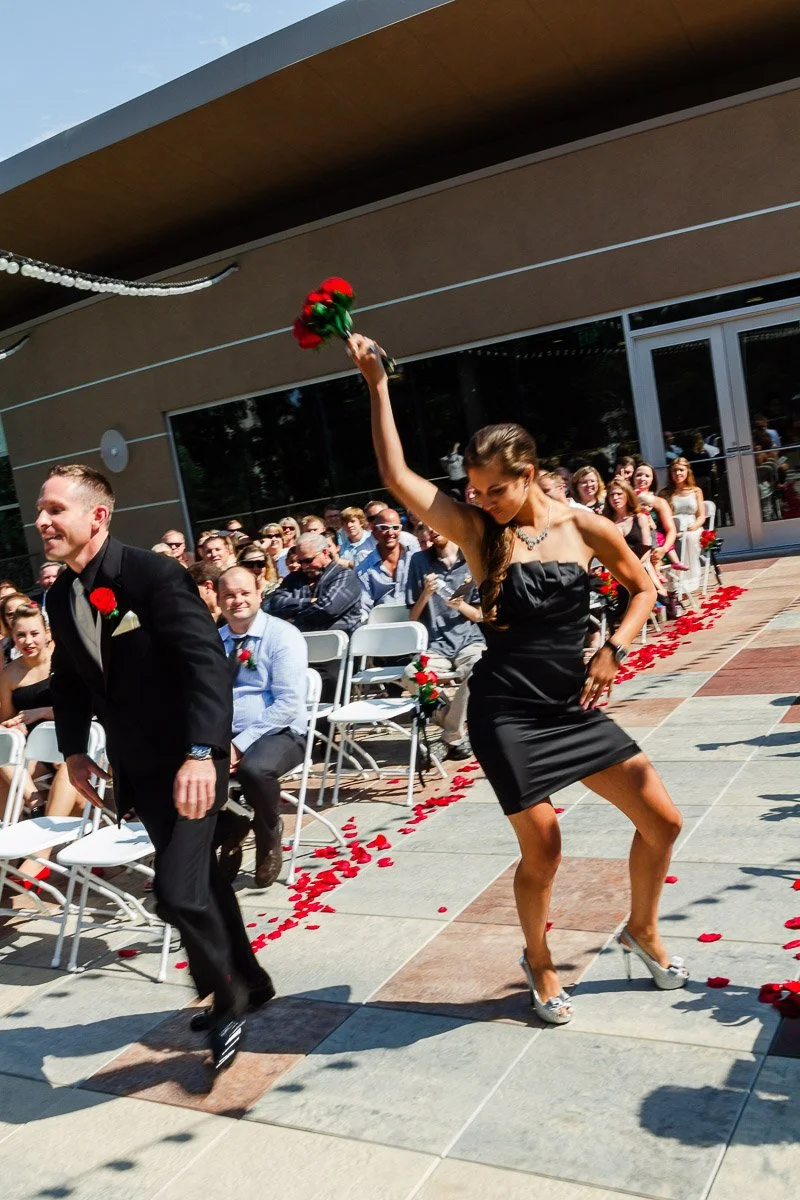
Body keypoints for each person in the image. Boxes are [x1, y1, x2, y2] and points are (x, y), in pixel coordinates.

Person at [349, 333, 687, 1026]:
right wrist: (377, 386)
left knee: (664, 822)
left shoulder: (585, 525)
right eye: (475, 490)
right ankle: (537, 958)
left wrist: (614, 649)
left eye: (495, 488)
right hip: (505, 710)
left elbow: (643, 588)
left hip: (570, 705)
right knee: (546, 843)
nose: (484, 499)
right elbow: (396, 478)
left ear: (529, 472)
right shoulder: (479, 532)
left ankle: (643, 930)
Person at [38, 463, 272, 1071]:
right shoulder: (60, 594)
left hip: (194, 762)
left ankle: (230, 999)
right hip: (141, 769)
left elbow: (205, 666)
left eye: (56, 509)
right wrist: (73, 752)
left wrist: (203, 753)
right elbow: (69, 680)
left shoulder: (153, 574)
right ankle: (249, 980)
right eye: (42, 510)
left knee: (176, 891)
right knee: (202, 886)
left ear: (98, 516)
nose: (42, 520)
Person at [215, 567, 307, 887]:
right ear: (218, 600)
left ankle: (268, 833)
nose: (237, 600)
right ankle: (231, 827)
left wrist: (239, 744)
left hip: (280, 732)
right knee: (190, 765)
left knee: (254, 770)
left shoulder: (282, 636)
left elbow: (287, 704)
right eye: (229, 595)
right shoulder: (215, 640)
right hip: (226, 733)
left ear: (258, 593)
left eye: (243, 593)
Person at [0, 604, 83, 880]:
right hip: (33, 751)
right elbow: (7, 721)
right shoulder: (9, 675)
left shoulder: (66, 658)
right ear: (13, 638)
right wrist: (15, 725)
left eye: (34, 633)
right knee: (2, 755)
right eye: (20, 635)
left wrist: (44, 712)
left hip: (76, 738)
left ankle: (41, 853)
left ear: (47, 633)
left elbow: (90, 706)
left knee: (66, 765)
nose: (28, 641)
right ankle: (35, 804)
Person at [405, 526, 485, 759]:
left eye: (436, 524)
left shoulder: (471, 558)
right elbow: (412, 617)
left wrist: (460, 605)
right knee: (411, 674)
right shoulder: (419, 560)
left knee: (480, 668)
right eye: (425, 527)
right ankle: (456, 733)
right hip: (434, 645)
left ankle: (450, 735)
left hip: (469, 641)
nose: (431, 530)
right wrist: (426, 594)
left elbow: (480, 615)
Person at [356, 508, 419, 618]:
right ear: (374, 530)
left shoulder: (415, 556)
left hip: (416, 619)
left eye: (395, 528)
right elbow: (364, 606)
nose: (390, 533)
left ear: (400, 530)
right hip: (383, 624)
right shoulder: (364, 567)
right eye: (384, 528)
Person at [659, 458, 707, 593]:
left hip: (693, 528)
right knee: (677, 540)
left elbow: (701, 515)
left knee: (689, 538)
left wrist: (695, 525)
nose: (678, 473)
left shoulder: (696, 491)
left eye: (681, 470)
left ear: (687, 471)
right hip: (674, 530)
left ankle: (691, 579)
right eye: (674, 470)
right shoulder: (665, 493)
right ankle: (678, 582)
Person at [188, 561, 224, 625]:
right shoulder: (193, 621)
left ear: (208, 586)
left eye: (191, 589)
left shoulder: (231, 620)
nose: (188, 595)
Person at [0, 592, 30, 664]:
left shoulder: (48, 639)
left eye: (20, 611)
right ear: (4, 619)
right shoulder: (2, 647)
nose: (15, 617)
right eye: (10, 614)